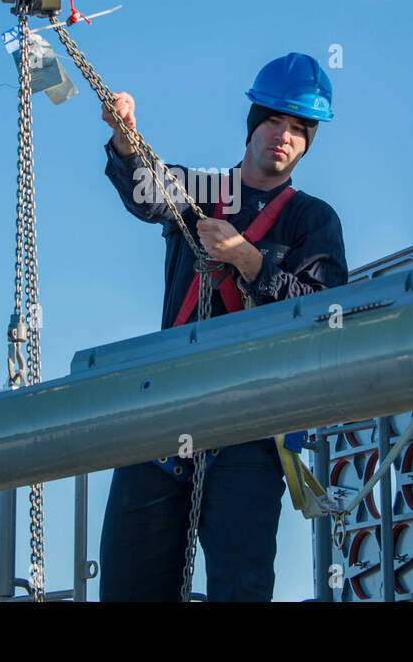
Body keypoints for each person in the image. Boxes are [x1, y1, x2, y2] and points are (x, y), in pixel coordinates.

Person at [97, 52, 348, 601]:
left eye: (300, 128)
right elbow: (147, 192)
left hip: (250, 426)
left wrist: (250, 261)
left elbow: (324, 315)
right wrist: (123, 140)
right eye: (275, 120)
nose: (284, 136)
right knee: (128, 582)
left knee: (241, 586)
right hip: (165, 411)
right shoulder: (200, 192)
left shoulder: (312, 221)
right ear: (253, 121)